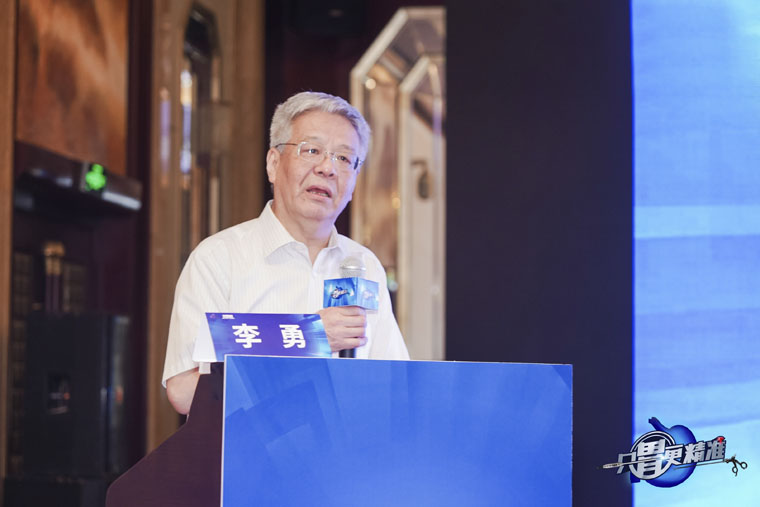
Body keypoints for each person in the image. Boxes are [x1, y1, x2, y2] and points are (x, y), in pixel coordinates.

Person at [162, 91, 409, 414]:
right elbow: (183, 392)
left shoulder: (364, 265)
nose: (327, 168)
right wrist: (310, 338)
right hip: (250, 445)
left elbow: (395, 386)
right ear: (274, 164)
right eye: (312, 150)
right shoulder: (219, 258)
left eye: (344, 158)